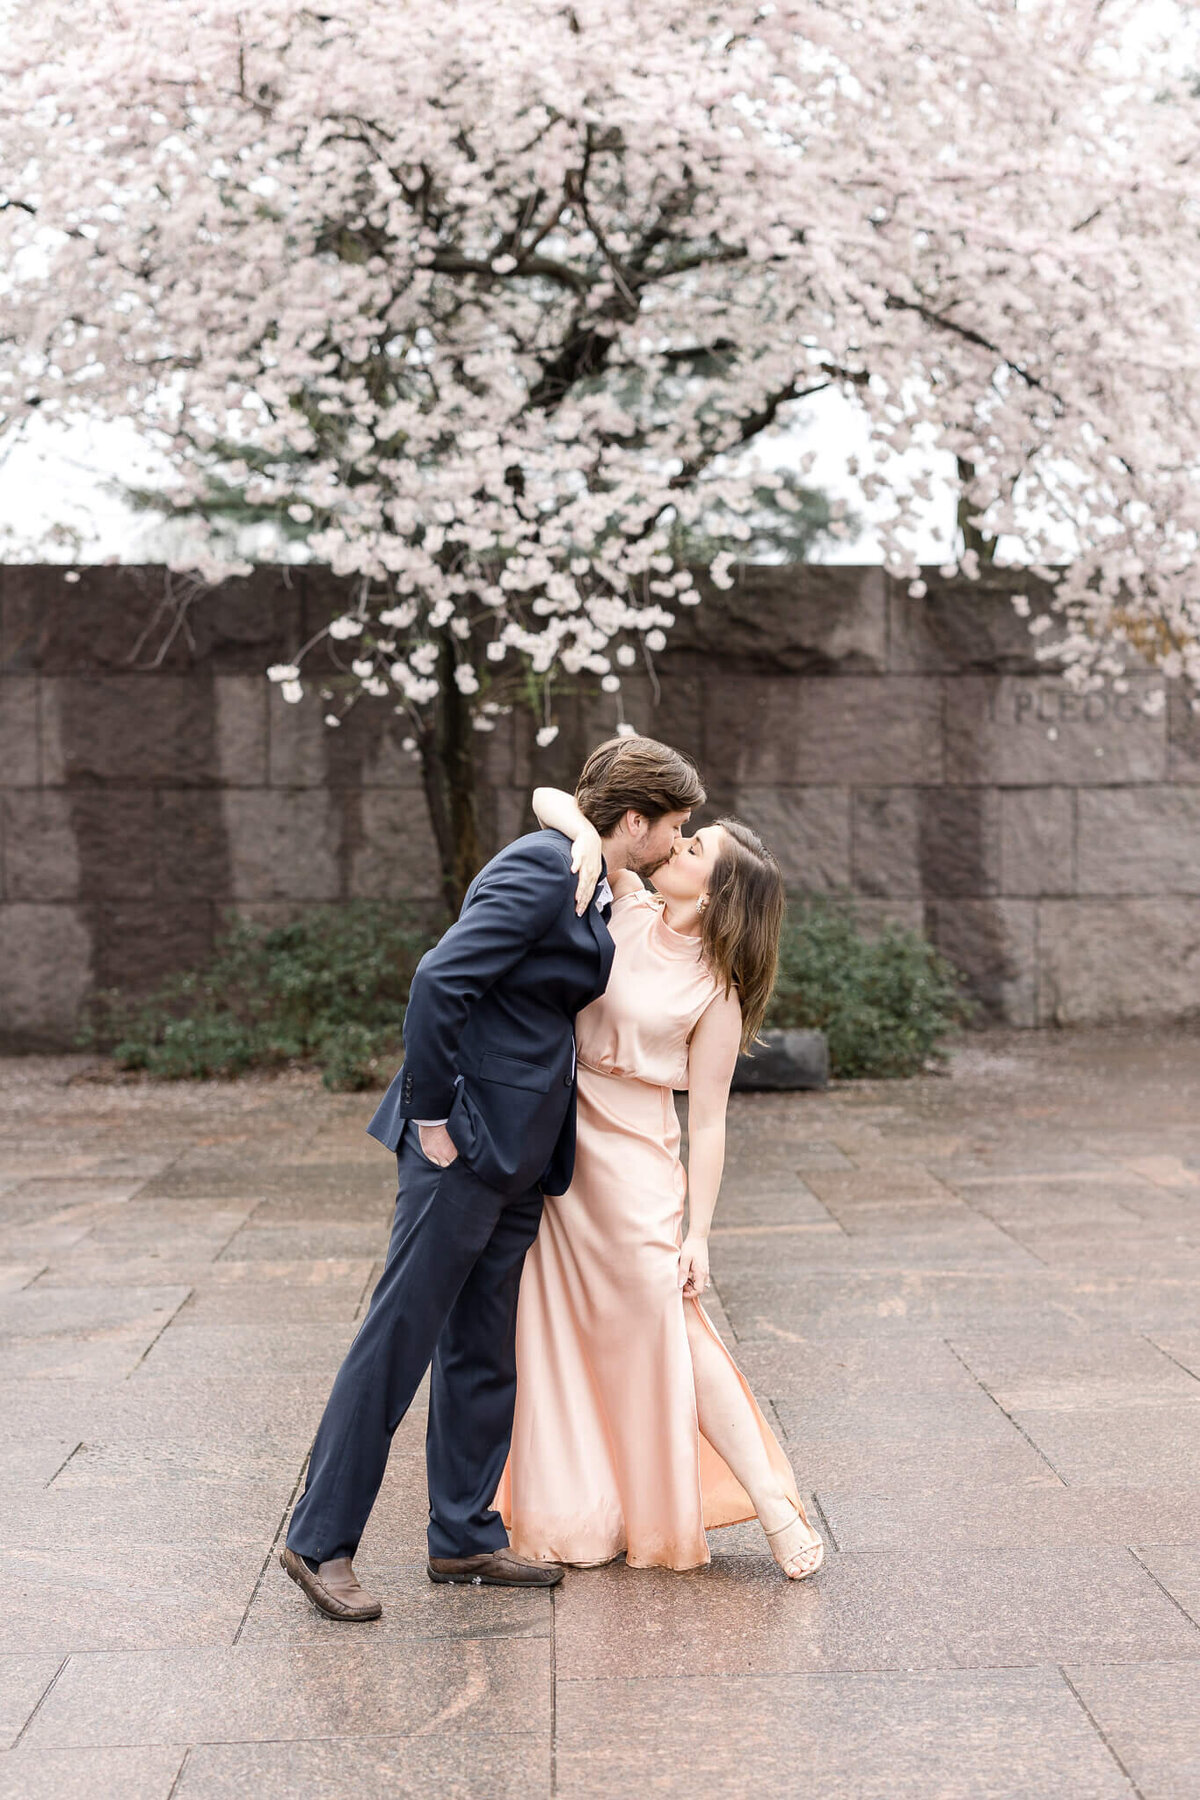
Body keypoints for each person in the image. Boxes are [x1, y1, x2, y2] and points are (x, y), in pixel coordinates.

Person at [280, 736, 705, 1620]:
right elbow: (440, 980)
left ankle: (465, 1534)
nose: (678, 841)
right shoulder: (546, 869)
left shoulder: (588, 868)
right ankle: (319, 1542)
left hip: (520, 1153)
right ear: (635, 821)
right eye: (675, 825)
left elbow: (568, 816)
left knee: (480, 1346)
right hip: (464, 1144)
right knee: (397, 1337)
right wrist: (433, 1120)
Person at [496, 789, 824, 1580]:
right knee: (561, 1331)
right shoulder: (627, 904)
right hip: (560, 1146)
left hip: (639, 1159)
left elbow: (708, 1120)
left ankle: (771, 1499)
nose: (675, 847)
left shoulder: (718, 989)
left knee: (671, 1325)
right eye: (685, 838)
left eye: (694, 849)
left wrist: (698, 1233)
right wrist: (580, 833)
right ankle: (583, 1508)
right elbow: (547, 797)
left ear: (713, 893)